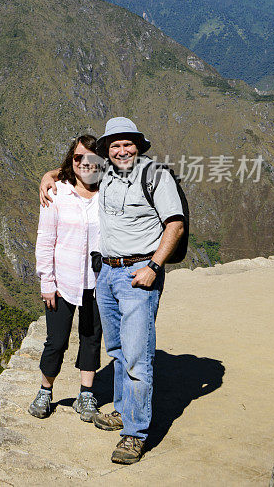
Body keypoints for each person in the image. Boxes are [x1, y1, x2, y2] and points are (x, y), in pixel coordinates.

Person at [40, 117, 184, 465]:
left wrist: (153, 267)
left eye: (128, 143)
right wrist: (47, 178)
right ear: (106, 151)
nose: (122, 150)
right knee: (118, 349)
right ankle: (123, 409)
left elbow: (175, 224)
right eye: (114, 145)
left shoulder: (155, 175)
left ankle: (134, 434)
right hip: (106, 273)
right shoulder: (106, 175)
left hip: (138, 273)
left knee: (137, 355)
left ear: (139, 145)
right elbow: (74, 171)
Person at [28, 135, 104, 423]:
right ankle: (45, 390)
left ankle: (86, 394)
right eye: (78, 158)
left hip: (97, 282)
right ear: (71, 160)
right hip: (62, 282)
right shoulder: (56, 193)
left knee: (91, 338)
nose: (84, 163)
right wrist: (46, 282)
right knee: (56, 340)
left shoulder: (108, 192)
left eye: (91, 158)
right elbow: (45, 240)